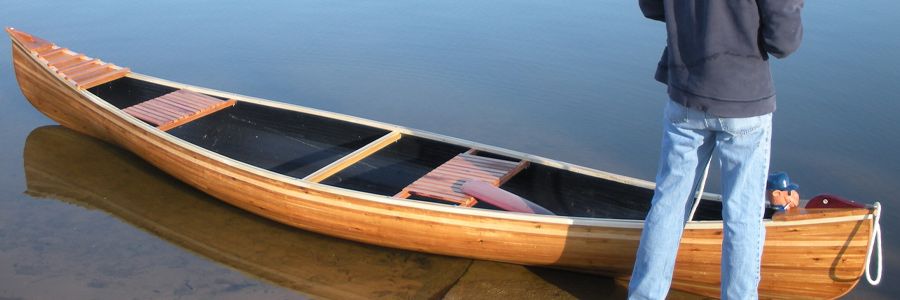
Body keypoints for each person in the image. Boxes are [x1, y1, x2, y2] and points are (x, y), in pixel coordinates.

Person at [629, 1, 804, 299]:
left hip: (685, 91)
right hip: (744, 97)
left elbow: (652, 7)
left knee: (669, 204)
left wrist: (692, 23)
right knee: (743, 216)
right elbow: (784, 41)